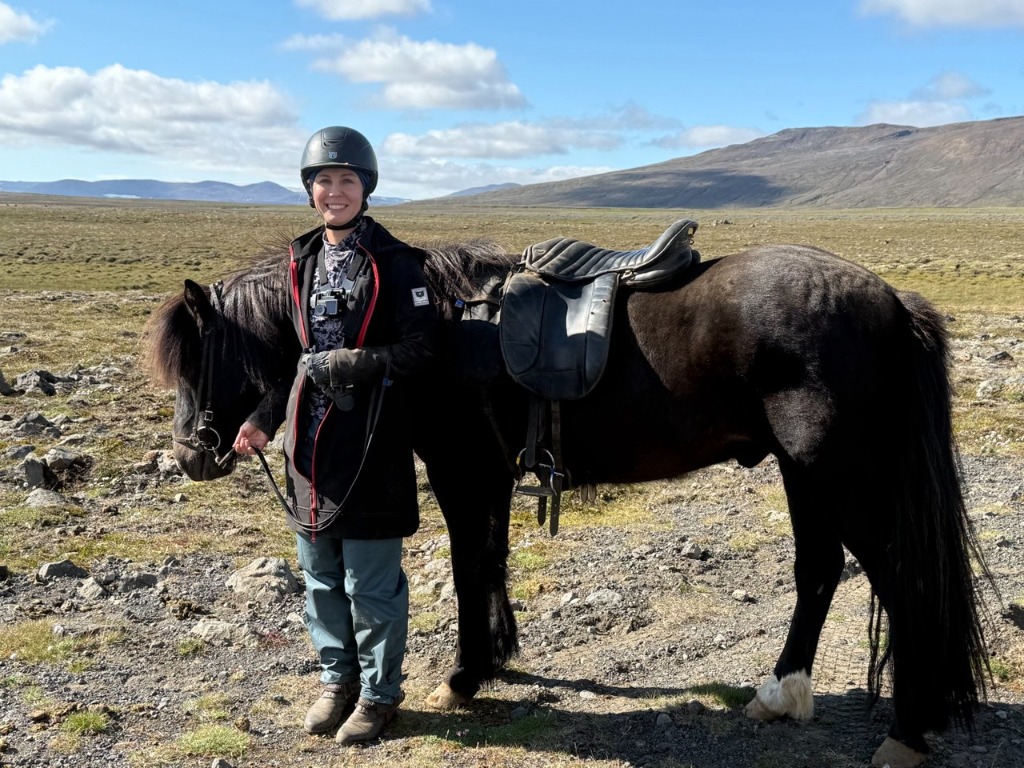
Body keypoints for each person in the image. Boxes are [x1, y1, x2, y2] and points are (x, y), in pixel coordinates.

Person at [231, 126, 436, 744]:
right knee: (319, 576)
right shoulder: (301, 262)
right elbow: (296, 360)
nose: (335, 191)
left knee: (370, 583)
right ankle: (336, 682)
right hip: (308, 449)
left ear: (366, 188)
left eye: (347, 179)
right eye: (324, 179)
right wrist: (263, 419)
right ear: (310, 190)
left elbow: (424, 349)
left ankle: (379, 695)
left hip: (371, 442)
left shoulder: (398, 263)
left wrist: (353, 362)